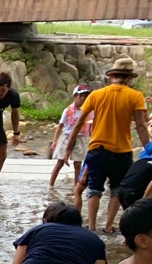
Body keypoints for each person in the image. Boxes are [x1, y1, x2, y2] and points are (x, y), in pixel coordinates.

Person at [65, 58, 151, 234]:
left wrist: (68, 148)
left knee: (94, 188)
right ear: (130, 78)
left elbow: (78, 121)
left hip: (97, 149)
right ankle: (108, 226)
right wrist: (149, 149)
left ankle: (91, 226)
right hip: (122, 151)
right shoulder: (135, 96)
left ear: (111, 76)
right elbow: (141, 126)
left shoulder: (96, 95)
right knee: (117, 190)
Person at [49, 86, 92, 189]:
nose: (83, 99)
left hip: (81, 137)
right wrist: (55, 141)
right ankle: (51, 185)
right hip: (67, 136)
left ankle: (76, 187)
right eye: (81, 96)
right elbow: (60, 126)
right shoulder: (68, 110)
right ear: (74, 97)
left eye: (86, 96)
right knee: (60, 162)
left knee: (78, 164)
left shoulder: (90, 111)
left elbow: (91, 126)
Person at [113, 141, 152, 210]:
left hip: (122, 192)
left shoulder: (141, 161)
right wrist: (143, 201)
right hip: (135, 193)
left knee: (131, 218)